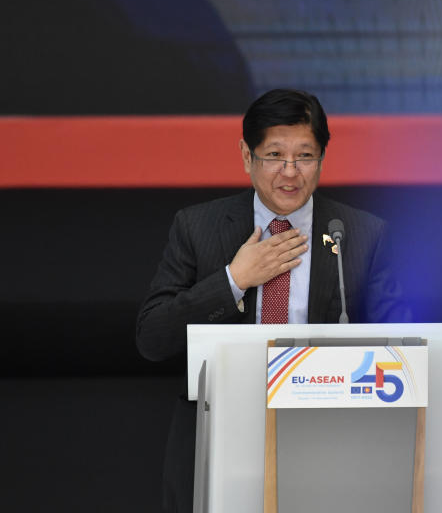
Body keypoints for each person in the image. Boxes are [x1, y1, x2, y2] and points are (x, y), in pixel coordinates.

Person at [137, 88, 409, 512]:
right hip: (221, 441)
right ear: (247, 157)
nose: (290, 172)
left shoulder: (360, 234)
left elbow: (404, 347)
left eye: (305, 155)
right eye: (275, 155)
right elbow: (152, 338)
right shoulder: (198, 227)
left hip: (328, 445)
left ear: (322, 157)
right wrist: (233, 280)